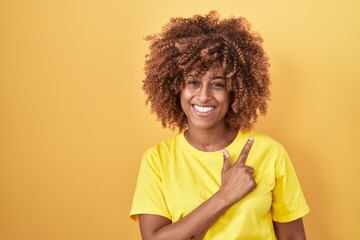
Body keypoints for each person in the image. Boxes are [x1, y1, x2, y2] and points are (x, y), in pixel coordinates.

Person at [130, 11, 310, 240]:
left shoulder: (270, 153)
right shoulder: (157, 160)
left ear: (235, 89)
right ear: (176, 87)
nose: (203, 96)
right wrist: (225, 195)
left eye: (218, 84)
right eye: (193, 82)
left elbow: (294, 237)